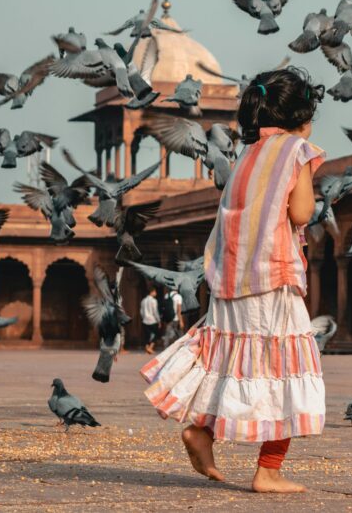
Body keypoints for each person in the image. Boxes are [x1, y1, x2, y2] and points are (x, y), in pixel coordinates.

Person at [142, 67, 326, 494]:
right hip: (272, 279)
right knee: (284, 372)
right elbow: (300, 214)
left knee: (233, 365)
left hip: (230, 280)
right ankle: (269, 470)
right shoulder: (296, 150)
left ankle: (202, 433)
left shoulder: (245, 156)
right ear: (303, 115)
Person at [140, 289, 160, 354]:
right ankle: (150, 348)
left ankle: (147, 347)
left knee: (146, 335)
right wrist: (158, 320)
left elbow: (141, 311)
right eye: (155, 292)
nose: (156, 293)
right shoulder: (154, 301)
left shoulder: (143, 300)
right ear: (152, 292)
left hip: (145, 320)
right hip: (153, 320)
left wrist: (143, 318)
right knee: (155, 334)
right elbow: (155, 311)